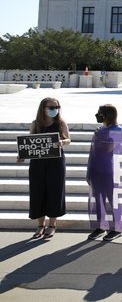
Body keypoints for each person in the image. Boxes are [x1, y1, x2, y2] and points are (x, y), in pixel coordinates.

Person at [18, 97, 70, 239]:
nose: (55, 110)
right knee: (37, 192)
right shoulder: (36, 124)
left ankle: (52, 225)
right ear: (43, 108)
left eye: (57, 107)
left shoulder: (60, 123)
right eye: (52, 107)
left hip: (56, 162)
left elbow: (68, 139)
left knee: (55, 191)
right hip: (38, 163)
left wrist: (62, 142)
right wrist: (22, 155)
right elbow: (29, 142)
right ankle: (40, 225)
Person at [87, 104, 122, 241]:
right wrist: (89, 170)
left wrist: (102, 135)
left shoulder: (117, 129)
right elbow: (93, 151)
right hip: (97, 168)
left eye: (100, 113)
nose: (98, 115)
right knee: (99, 200)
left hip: (110, 169)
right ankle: (100, 226)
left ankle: (116, 228)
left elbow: (110, 147)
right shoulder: (100, 129)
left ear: (108, 115)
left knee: (112, 199)